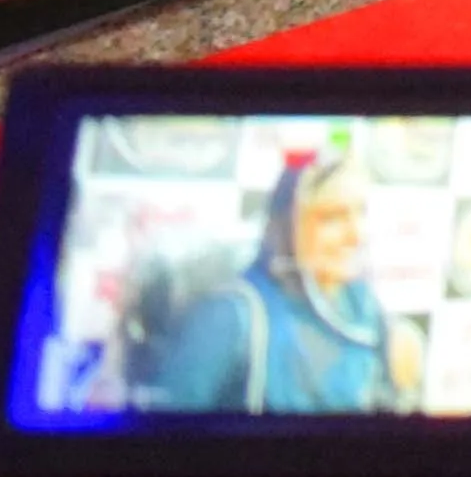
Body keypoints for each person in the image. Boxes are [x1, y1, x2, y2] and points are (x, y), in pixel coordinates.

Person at [139, 152, 414, 417]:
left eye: (360, 213)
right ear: (285, 227)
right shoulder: (231, 316)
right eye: (332, 217)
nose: (356, 235)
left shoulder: (363, 308)